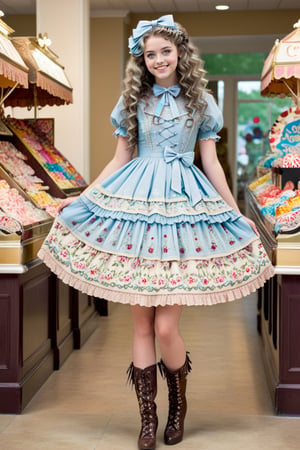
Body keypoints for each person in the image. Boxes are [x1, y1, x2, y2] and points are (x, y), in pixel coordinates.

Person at [38, 14, 274, 450]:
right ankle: (148, 419)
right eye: (151, 54)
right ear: (142, 60)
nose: (159, 59)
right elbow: (119, 159)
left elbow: (211, 161)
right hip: (135, 208)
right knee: (142, 323)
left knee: (167, 327)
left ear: (180, 53)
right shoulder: (134, 101)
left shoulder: (201, 100)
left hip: (182, 208)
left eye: (166, 51)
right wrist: (85, 197)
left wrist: (232, 209)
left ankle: (178, 406)